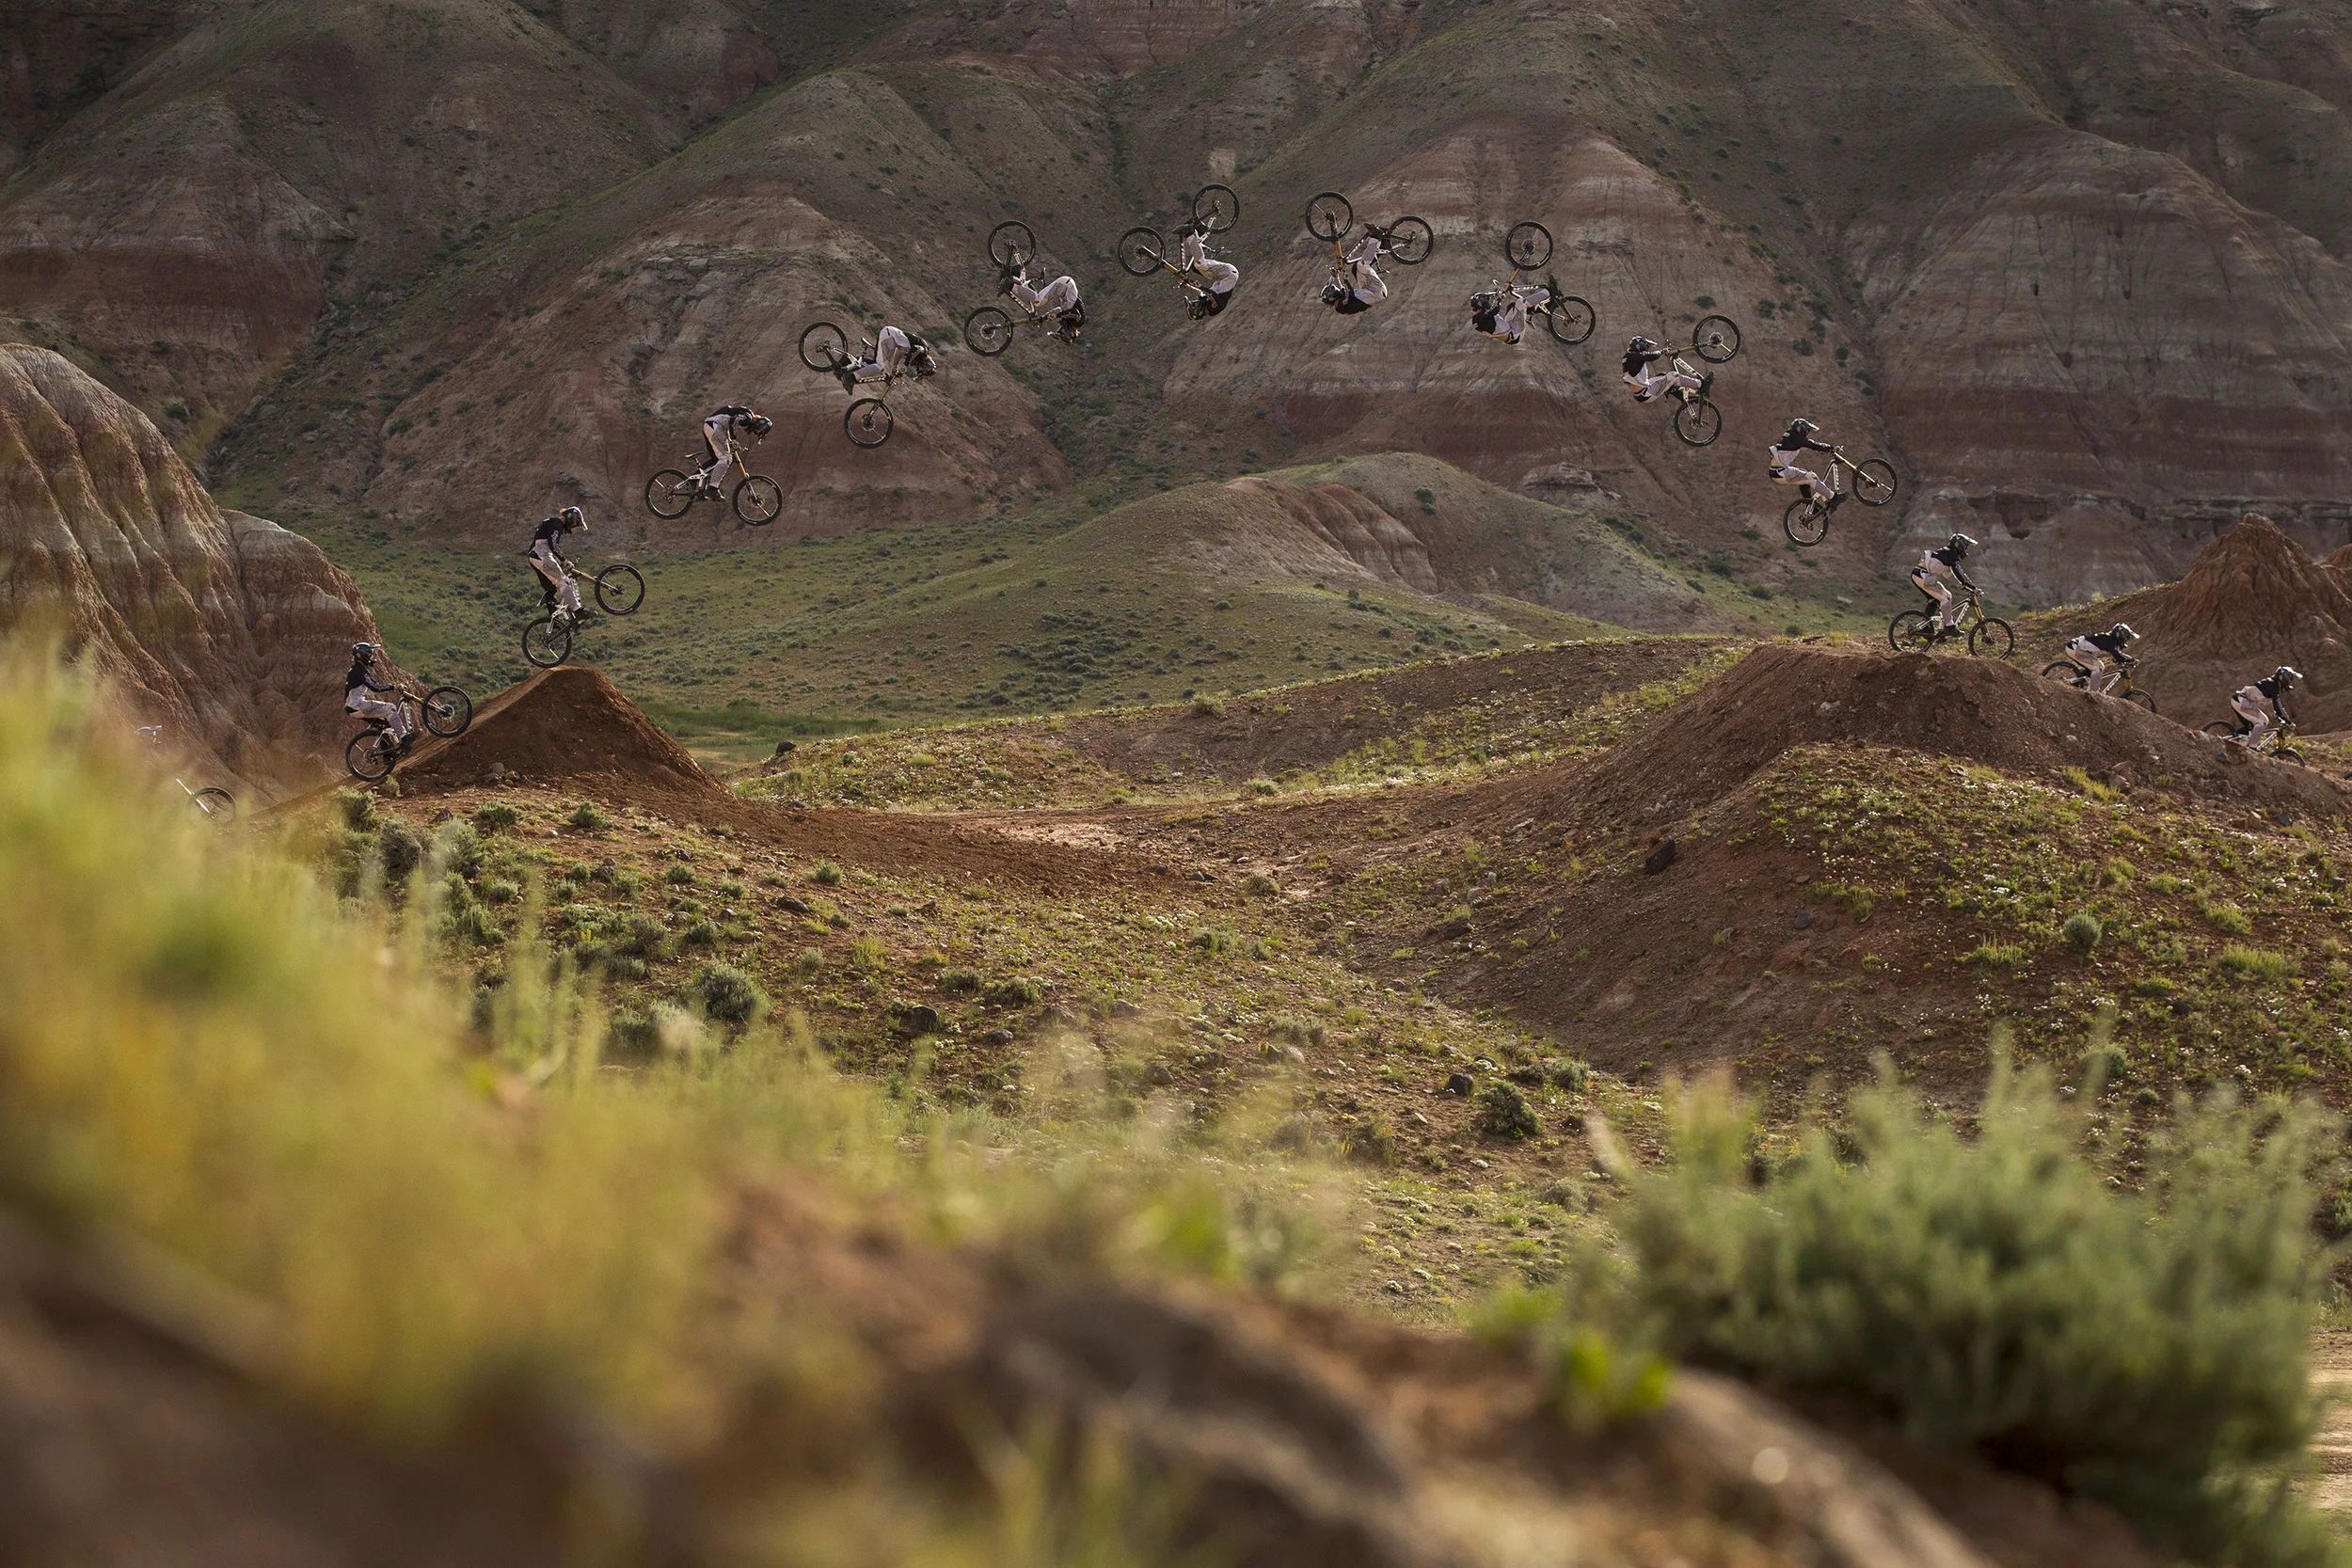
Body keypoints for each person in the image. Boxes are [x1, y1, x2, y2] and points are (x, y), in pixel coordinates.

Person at [1909, 532, 1980, 640]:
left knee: (1944, 597)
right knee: (1944, 599)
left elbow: (1948, 575)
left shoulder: (1946, 554)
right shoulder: (1952, 555)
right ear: (1958, 545)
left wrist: (1961, 586)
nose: (1965, 549)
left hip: (1919, 575)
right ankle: (1949, 627)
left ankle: (1929, 627)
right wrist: (1973, 588)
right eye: (1965, 546)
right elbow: (1959, 573)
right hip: (1923, 576)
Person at [344, 641, 412, 750]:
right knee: (390, 708)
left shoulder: (356, 670)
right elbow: (374, 686)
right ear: (362, 655)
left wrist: (389, 689)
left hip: (352, 708)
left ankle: (387, 755)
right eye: (370, 653)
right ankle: (405, 738)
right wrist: (393, 687)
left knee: (383, 723)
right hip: (357, 705)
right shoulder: (359, 670)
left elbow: (369, 690)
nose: (371, 656)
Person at [528, 505, 591, 622]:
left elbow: (542, 544)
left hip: (534, 557)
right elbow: (553, 545)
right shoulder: (557, 524)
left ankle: (554, 620)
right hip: (541, 556)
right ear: (571, 518)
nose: (572, 527)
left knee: (551, 589)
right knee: (563, 582)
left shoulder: (550, 523)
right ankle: (578, 611)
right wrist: (563, 560)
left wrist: (556, 561)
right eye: (574, 524)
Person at [693, 405, 771, 491]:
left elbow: (727, 421)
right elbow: (733, 420)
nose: (754, 431)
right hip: (714, 426)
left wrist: (730, 441)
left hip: (709, 425)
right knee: (726, 458)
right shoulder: (748, 417)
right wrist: (733, 439)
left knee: (716, 459)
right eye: (757, 430)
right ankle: (713, 488)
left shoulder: (744, 413)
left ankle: (693, 480)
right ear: (759, 424)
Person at [1002, 263, 1088, 341]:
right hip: (1066, 286)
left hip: (1065, 287)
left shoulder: (1068, 319)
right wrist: (1056, 316)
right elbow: (1074, 312)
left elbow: (1058, 311)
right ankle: (1010, 285)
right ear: (1071, 333)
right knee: (1039, 301)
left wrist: (1043, 318)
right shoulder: (1079, 322)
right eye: (1065, 333)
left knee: (1036, 303)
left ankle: (1016, 277)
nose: (1063, 330)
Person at [1767, 418, 1840, 506]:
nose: (1807, 433)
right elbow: (1814, 445)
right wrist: (1832, 448)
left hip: (1775, 472)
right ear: (1800, 429)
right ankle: (1833, 498)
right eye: (1806, 430)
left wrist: (1821, 450)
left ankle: (1810, 505)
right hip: (1781, 473)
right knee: (1812, 477)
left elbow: (1806, 446)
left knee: (1804, 475)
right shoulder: (1797, 438)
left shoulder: (1789, 436)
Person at [1470, 276, 1562, 344]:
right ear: (1481, 304)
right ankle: (1549, 291)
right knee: (1521, 303)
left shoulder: (1480, 318)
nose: (1488, 303)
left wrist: (1497, 295)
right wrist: (1499, 299)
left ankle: (1546, 306)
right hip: (1514, 333)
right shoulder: (1481, 317)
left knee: (1512, 306)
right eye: (1486, 301)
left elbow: (1491, 312)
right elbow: (1495, 310)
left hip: (1510, 330)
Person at [838, 326, 938, 389]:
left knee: (876, 364)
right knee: (881, 366)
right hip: (891, 336)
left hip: (890, 335)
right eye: (920, 368)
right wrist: (906, 365)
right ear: (926, 365)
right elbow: (915, 349)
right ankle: (851, 377)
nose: (917, 367)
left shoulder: (915, 352)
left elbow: (900, 352)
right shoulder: (924, 351)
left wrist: (895, 367)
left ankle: (846, 364)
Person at [1179, 220, 1240, 320]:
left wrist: (1187, 285)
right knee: (1200, 264)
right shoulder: (1212, 309)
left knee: (1195, 268)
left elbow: (1199, 293)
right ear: (1199, 311)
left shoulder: (1206, 303)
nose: (1196, 302)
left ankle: (1200, 232)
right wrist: (1202, 287)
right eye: (1195, 305)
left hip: (1221, 277)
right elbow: (1214, 296)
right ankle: (1190, 233)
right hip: (1229, 274)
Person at [1322, 227, 1391, 315]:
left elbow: (1344, 290)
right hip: (1377, 292)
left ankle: (1382, 246)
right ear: (1332, 296)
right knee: (1362, 265)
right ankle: (1376, 238)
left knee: (1356, 269)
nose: (1337, 290)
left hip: (1368, 289)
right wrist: (1345, 279)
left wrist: (1335, 276)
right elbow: (1348, 292)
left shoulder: (1340, 303)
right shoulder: (1342, 305)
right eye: (1335, 290)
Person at [2229, 666, 2300, 746]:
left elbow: (2275, 708)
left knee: (2251, 727)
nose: (2290, 682)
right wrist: (2289, 722)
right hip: (2241, 700)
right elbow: (2278, 707)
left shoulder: (2271, 684)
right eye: (2290, 679)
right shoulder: (2273, 686)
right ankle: (2252, 746)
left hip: (2239, 700)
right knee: (2262, 721)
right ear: (2284, 678)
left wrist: (2281, 718)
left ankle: (2234, 741)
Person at [1623, 337, 1709, 403]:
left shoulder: (1628, 357)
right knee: (1673, 376)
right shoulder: (1634, 357)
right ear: (1640, 347)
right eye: (1645, 347)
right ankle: (1701, 384)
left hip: (1642, 391)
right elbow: (1651, 356)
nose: (1646, 349)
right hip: (1646, 393)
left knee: (1663, 376)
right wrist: (1661, 352)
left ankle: (1683, 398)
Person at [2063, 623, 2139, 696]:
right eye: (2126, 638)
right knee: (2099, 667)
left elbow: (2117, 654)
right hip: (2075, 648)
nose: (2126, 640)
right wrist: (2129, 660)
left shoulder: (2109, 639)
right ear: (2120, 635)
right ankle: (2093, 693)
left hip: (2074, 647)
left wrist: (2128, 659)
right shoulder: (2110, 641)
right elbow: (2117, 655)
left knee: (2092, 668)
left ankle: (2073, 682)